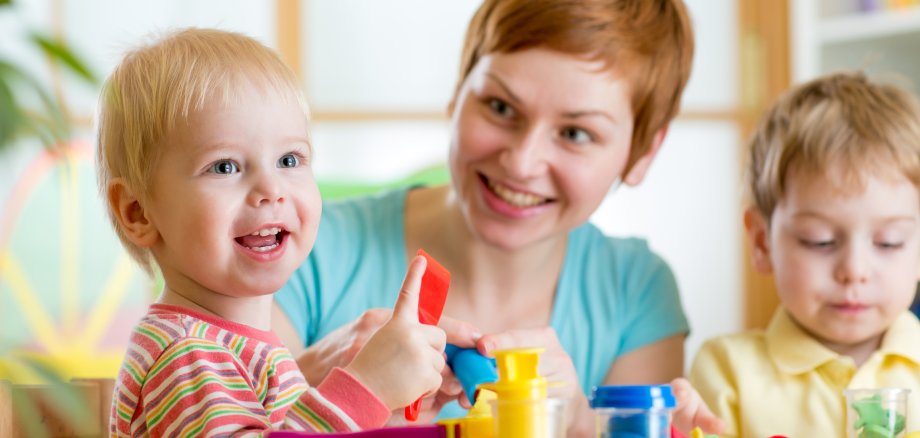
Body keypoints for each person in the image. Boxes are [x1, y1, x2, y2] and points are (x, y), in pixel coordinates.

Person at [273, 0, 722, 435]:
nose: (522, 163)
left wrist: (581, 424)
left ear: (644, 152)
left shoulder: (637, 291)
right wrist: (309, 380)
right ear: (458, 90)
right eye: (501, 107)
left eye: (575, 133)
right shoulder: (300, 246)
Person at [97, 28, 447, 436]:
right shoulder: (186, 353)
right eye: (225, 166)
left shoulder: (244, 346)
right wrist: (367, 389)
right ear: (139, 212)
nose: (271, 189)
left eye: (289, 159)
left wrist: (384, 409)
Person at [689, 72, 920, 437]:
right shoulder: (728, 372)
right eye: (820, 240)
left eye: (888, 242)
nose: (854, 270)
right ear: (762, 242)